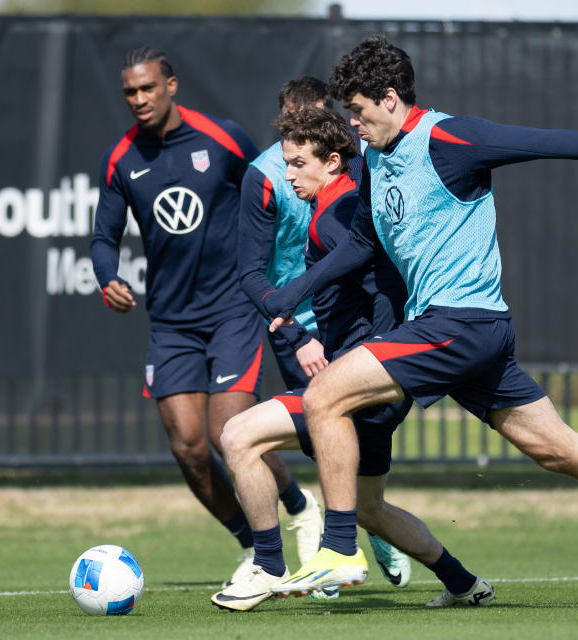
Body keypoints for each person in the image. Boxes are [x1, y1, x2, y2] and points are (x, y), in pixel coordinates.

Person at [264, 36, 578, 608]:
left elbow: (547, 142)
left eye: (356, 111)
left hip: (461, 323)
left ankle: (338, 547)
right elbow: (362, 241)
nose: (352, 125)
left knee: (324, 393)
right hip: (466, 333)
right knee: (558, 450)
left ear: (388, 98)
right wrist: (294, 293)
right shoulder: (377, 156)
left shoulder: (451, 139)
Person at [212, 107, 491, 611]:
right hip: (378, 387)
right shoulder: (345, 206)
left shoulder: (337, 218)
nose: (288, 173)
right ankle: (464, 582)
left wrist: (370, 359)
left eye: (298, 163)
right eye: (285, 163)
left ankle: (267, 567)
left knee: (238, 436)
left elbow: (385, 284)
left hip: (361, 389)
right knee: (370, 509)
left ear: (334, 162)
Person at [89, 46, 322, 588]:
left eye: (148, 88)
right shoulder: (121, 157)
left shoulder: (223, 139)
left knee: (228, 432)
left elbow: (276, 188)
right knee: (189, 449)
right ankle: (251, 542)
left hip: (233, 309)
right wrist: (108, 277)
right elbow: (104, 236)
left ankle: (295, 509)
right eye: (130, 92)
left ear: (171, 85)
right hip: (171, 322)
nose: (139, 99)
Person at [236, 76, 411, 593]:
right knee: (322, 442)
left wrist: (379, 346)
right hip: (301, 332)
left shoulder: (352, 167)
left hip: (354, 331)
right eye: (294, 128)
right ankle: (341, 547)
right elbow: (251, 273)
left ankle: (350, 538)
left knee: (331, 438)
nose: (295, 161)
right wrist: (294, 331)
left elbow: (374, 266)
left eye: (316, 119)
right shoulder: (265, 176)